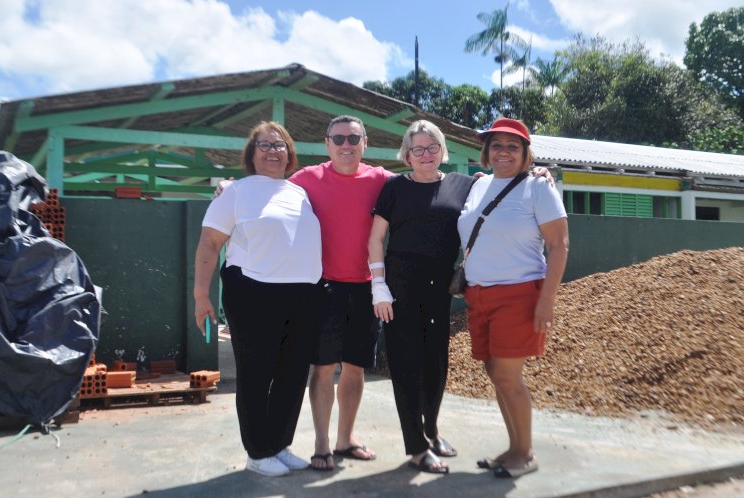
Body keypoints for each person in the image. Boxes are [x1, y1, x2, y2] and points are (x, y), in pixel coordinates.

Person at [218, 115, 392, 471]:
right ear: (327, 144)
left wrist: (486, 180)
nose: (346, 145)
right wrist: (229, 185)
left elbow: (426, 182)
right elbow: (266, 185)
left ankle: (346, 439)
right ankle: (322, 445)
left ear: (365, 144)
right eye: (339, 138)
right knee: (323, 369)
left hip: (364, 290)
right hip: (322, 289)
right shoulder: (305, 180)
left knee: (356, 370)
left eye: (353, 139)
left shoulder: (382, 180)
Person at [193, 121, 322, 477]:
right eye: (263, 145)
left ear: (289, 153)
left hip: (302, 294)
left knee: (292, 375)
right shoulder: (235, 192)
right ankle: (257, 451)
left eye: (279, 145)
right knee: (256, 375)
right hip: (253, 292)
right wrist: (201, 294)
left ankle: (279, 445)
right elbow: (209, 244)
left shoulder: (299, 192)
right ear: (251, 155)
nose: (272, 150)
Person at [457, 118, 569, 478]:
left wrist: (547, 299)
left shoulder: (538, 187)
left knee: (507, 375)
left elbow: (558, 244)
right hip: (478, 294)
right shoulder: (477, 186)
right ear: (486, 152)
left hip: (519, 294)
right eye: (496, 145)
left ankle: (526, 453)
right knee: (494, 371)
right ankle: (513, 447)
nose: (503, 152)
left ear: (525, 153)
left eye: (513, 146)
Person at [367, 120, 473, 474]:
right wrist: (378, 286)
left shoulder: (464, 185)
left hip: (440, 286)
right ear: (406, 155)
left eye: (432, 147)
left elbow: (500, 191)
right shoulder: (394, 188)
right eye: (418, 149)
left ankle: (431, 430)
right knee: (406, 364)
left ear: (442, 150)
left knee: (436, 363)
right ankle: (416, 446)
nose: (426, 155)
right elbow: (375, 239)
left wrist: (540, 176)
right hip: (399, 286)